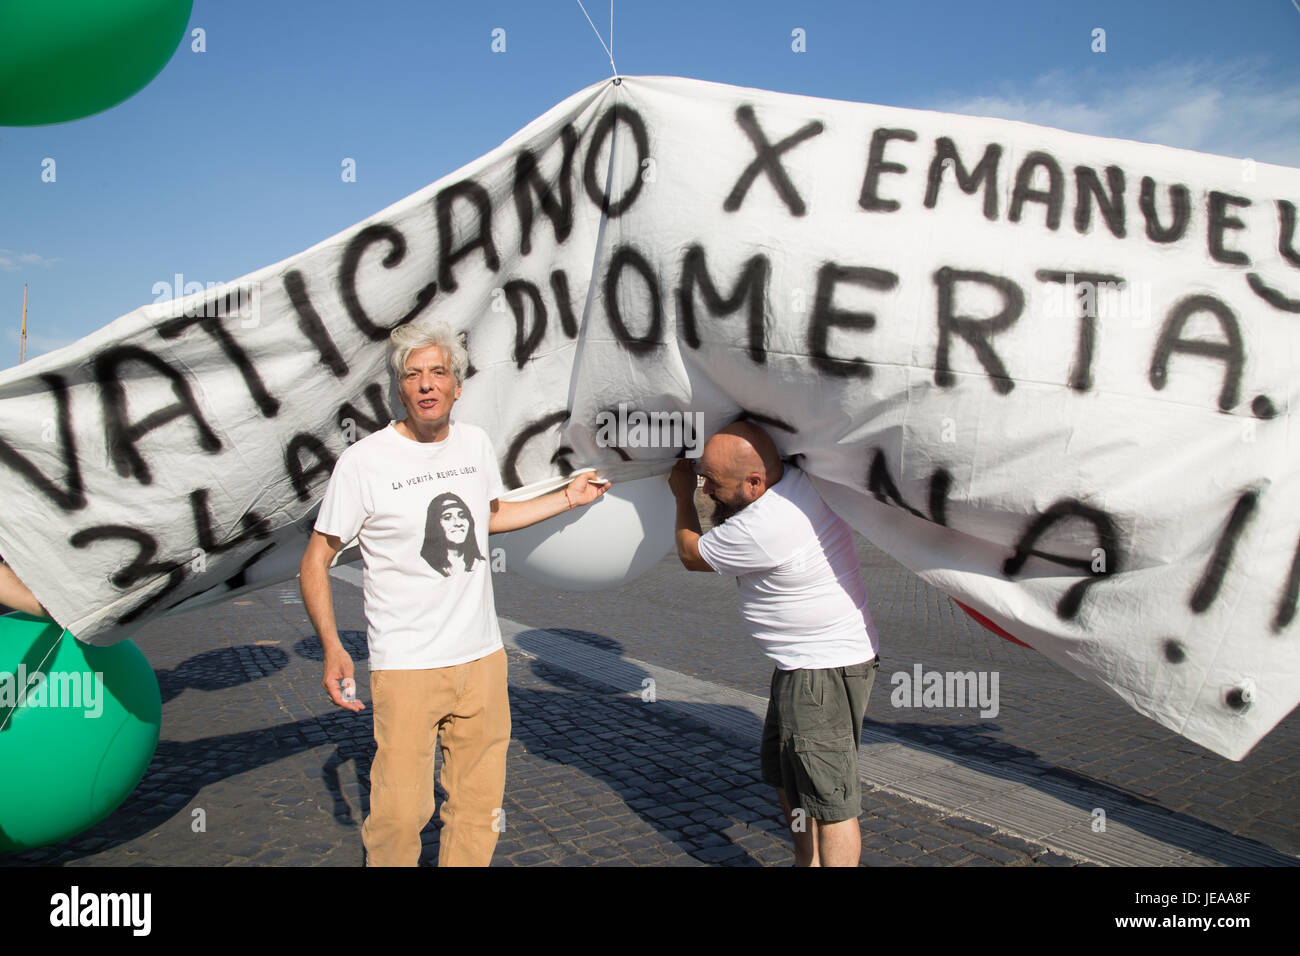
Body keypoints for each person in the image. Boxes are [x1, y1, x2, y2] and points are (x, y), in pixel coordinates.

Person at [299, 316, 608, 867]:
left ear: (457, 386)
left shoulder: (474, 444)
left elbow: (489, 515)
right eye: (413, 374)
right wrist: (332, 646)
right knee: (399, 814)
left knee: (478, 808)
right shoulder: (364, 461)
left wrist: (568, 497)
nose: (426, 384)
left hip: (483, 661)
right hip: (407, 666)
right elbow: (316, 560)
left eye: (437, 372)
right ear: (400, 388)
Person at [668, 422, 879, 867]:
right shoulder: (802, 478)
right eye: (703, 480)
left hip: (821, 669)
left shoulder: (763, 527)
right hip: (803, 666)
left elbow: (690, 553)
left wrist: (680, 492)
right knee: (790, 779)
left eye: (714, 483)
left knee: (829, 799)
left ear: (755, 482)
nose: (707, 492)